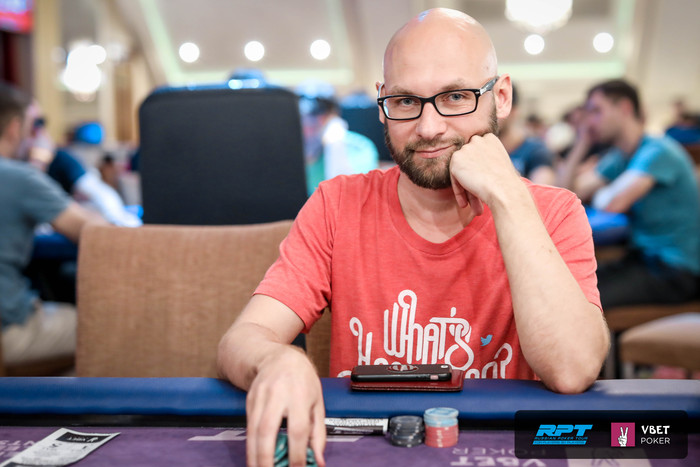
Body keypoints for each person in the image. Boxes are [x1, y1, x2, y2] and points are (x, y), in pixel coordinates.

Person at [217, 9, 608, 467]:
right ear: (382, 102)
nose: (429, 127)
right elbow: (244, 338)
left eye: (456, 97)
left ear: (500, 97)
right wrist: (277, 361)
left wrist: (508, 198)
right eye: (405, 101)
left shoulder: (556, 212)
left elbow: (573, 370)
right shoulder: (337, 204)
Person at [563, 79, 700, 308]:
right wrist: (582, 143)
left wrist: (602, 194)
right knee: (567, 284)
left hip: (676, 269)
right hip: (643, 258)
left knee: (579, 301)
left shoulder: (658, 150)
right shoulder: (621, 156)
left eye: (596, 111)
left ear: (624, 108)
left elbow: (613, 202)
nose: (591, 121)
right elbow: (566, 193)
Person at [0, 82, 103, 366]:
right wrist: (39, 165)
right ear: (15, 128)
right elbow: (98, 233)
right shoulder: (20, 177)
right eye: (34, 125)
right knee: (108, 326)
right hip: (10, 328)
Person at [25, 108, 141, 228]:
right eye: (34, 125)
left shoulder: (59, 158)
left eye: (40, 124)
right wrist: (37, 162)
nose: (37, 132)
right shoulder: (18, 167)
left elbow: (100, 192)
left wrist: (117, 220)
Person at [296, 80, 379, 194]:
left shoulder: (359, 147)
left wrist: (335, 145)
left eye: (320, 113)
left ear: (334, 114)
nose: (310, 121)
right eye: (304, 115)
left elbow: (349, 194)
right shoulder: (288, 148)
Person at [498, 84, 556, 185]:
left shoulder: (536, 150)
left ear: (514, 111)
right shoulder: (475, 148)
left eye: (496, 107)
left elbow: (541, 188)